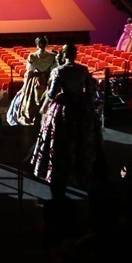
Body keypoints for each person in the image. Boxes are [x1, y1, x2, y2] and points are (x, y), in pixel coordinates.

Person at [30, 42, 102, 199]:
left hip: (63, 109)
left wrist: (43, 109)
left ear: (63, 55)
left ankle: (59, 172)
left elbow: (51, 93)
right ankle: (80, 171)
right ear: (75, 54)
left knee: (59, 140)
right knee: (80, 139)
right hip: (80, 108)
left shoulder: (58, 71)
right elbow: (90, 92)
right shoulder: (83, 70)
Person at [8, 36, 56, 126]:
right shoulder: (52, 57)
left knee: (31, 102)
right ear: (46, 44)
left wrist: (24, 87)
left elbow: (30, 73)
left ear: (37, 44)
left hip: (35, 82)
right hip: (48, 82)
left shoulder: (32, 56)